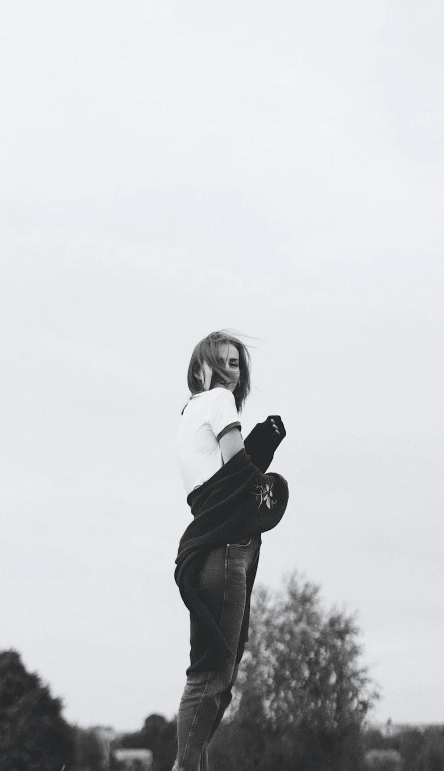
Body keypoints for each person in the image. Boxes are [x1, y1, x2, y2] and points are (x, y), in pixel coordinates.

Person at [173, 330, 289, 771]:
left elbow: (218, 484)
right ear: (199, 369)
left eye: (234, 363)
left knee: (211, 673)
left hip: (206, 550)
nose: (226, 370)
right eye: (217, 362)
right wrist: (271, 487)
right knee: (213, 675)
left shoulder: (187, 413)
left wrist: (259, 446)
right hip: (224, 552)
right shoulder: (218, 401)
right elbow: (239, 473)